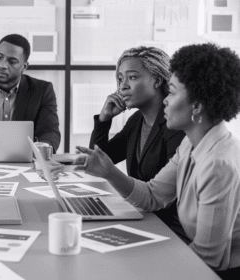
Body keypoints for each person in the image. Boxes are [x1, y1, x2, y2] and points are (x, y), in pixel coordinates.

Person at [73, 43, 240, 279]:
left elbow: (207, 259)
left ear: (197, 106)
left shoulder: (217, 163)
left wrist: (142, 268)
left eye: (171, 92)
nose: (165, 101)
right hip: (190, 256)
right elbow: (152, 195)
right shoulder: (192, 143)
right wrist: (109, 172)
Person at [89, 46, 187, 242]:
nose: (123, 86)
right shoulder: (136, 121)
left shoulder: (175, 126)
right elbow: (99, 162)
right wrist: (104, 120)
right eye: (120, 79)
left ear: (158, 80)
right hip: (143, 215)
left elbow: (171, 198)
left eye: (132, 77)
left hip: (168, 228)